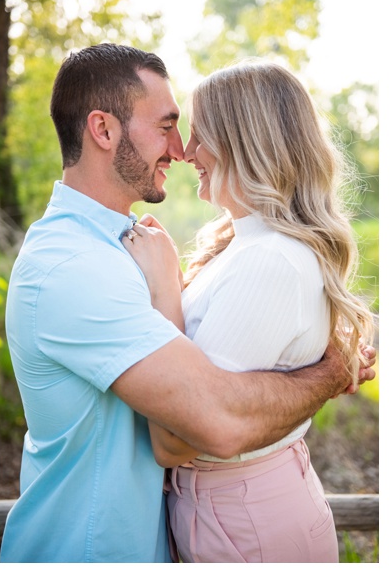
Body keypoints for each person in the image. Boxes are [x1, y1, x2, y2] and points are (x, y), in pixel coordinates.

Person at [0, 44, 374, 563]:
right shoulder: (73, 267)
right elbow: (204, 424)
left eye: (194, 130)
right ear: (104, 131)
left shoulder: (124, 244)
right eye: (167, 125)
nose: (180, 149)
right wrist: (329, 376)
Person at [123, 60, 374, 562]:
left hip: (244, 519)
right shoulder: (247, 244)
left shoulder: (269, 260)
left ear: (248, 142)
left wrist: (162, 289)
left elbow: (176, 441)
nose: (186, 152)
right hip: (233, 507)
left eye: (202, 136)